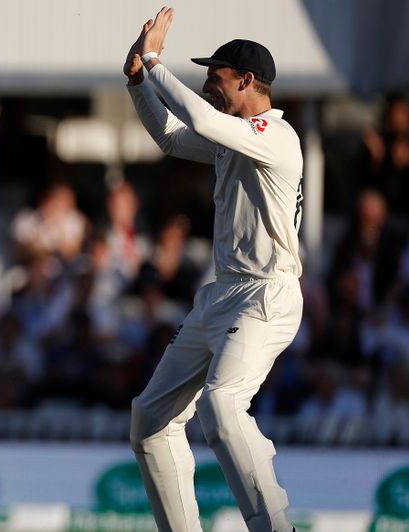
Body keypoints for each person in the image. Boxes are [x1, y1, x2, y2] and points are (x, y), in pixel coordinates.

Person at [123, 7, 304, 532]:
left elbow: (198, 121)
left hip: (266, 295)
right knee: (150, 421)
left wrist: (154, 61)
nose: (206, 83)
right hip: (222, 295)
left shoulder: (273, 134)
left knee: (222, 406)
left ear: (247, 81)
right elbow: (173, 138)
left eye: (215, 76)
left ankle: (274, 525)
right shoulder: (234, 135)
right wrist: (138, 82)